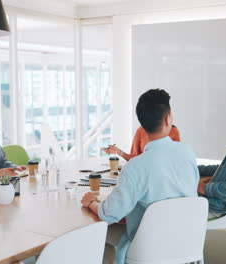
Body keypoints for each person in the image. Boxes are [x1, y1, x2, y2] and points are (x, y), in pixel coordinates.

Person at [81, 89, 199, 264]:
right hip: (188, 240)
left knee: (94, 233)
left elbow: (110, 214)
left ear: (142, 126)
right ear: (167, 119)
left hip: (149, 247)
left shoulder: (135, 167)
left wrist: (91, 202)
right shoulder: (187, 153)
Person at [102, 125, 180, 161]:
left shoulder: (173, 131)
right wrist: (119, 152)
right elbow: (134, 159)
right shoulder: (141, 130)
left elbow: (176, 160)